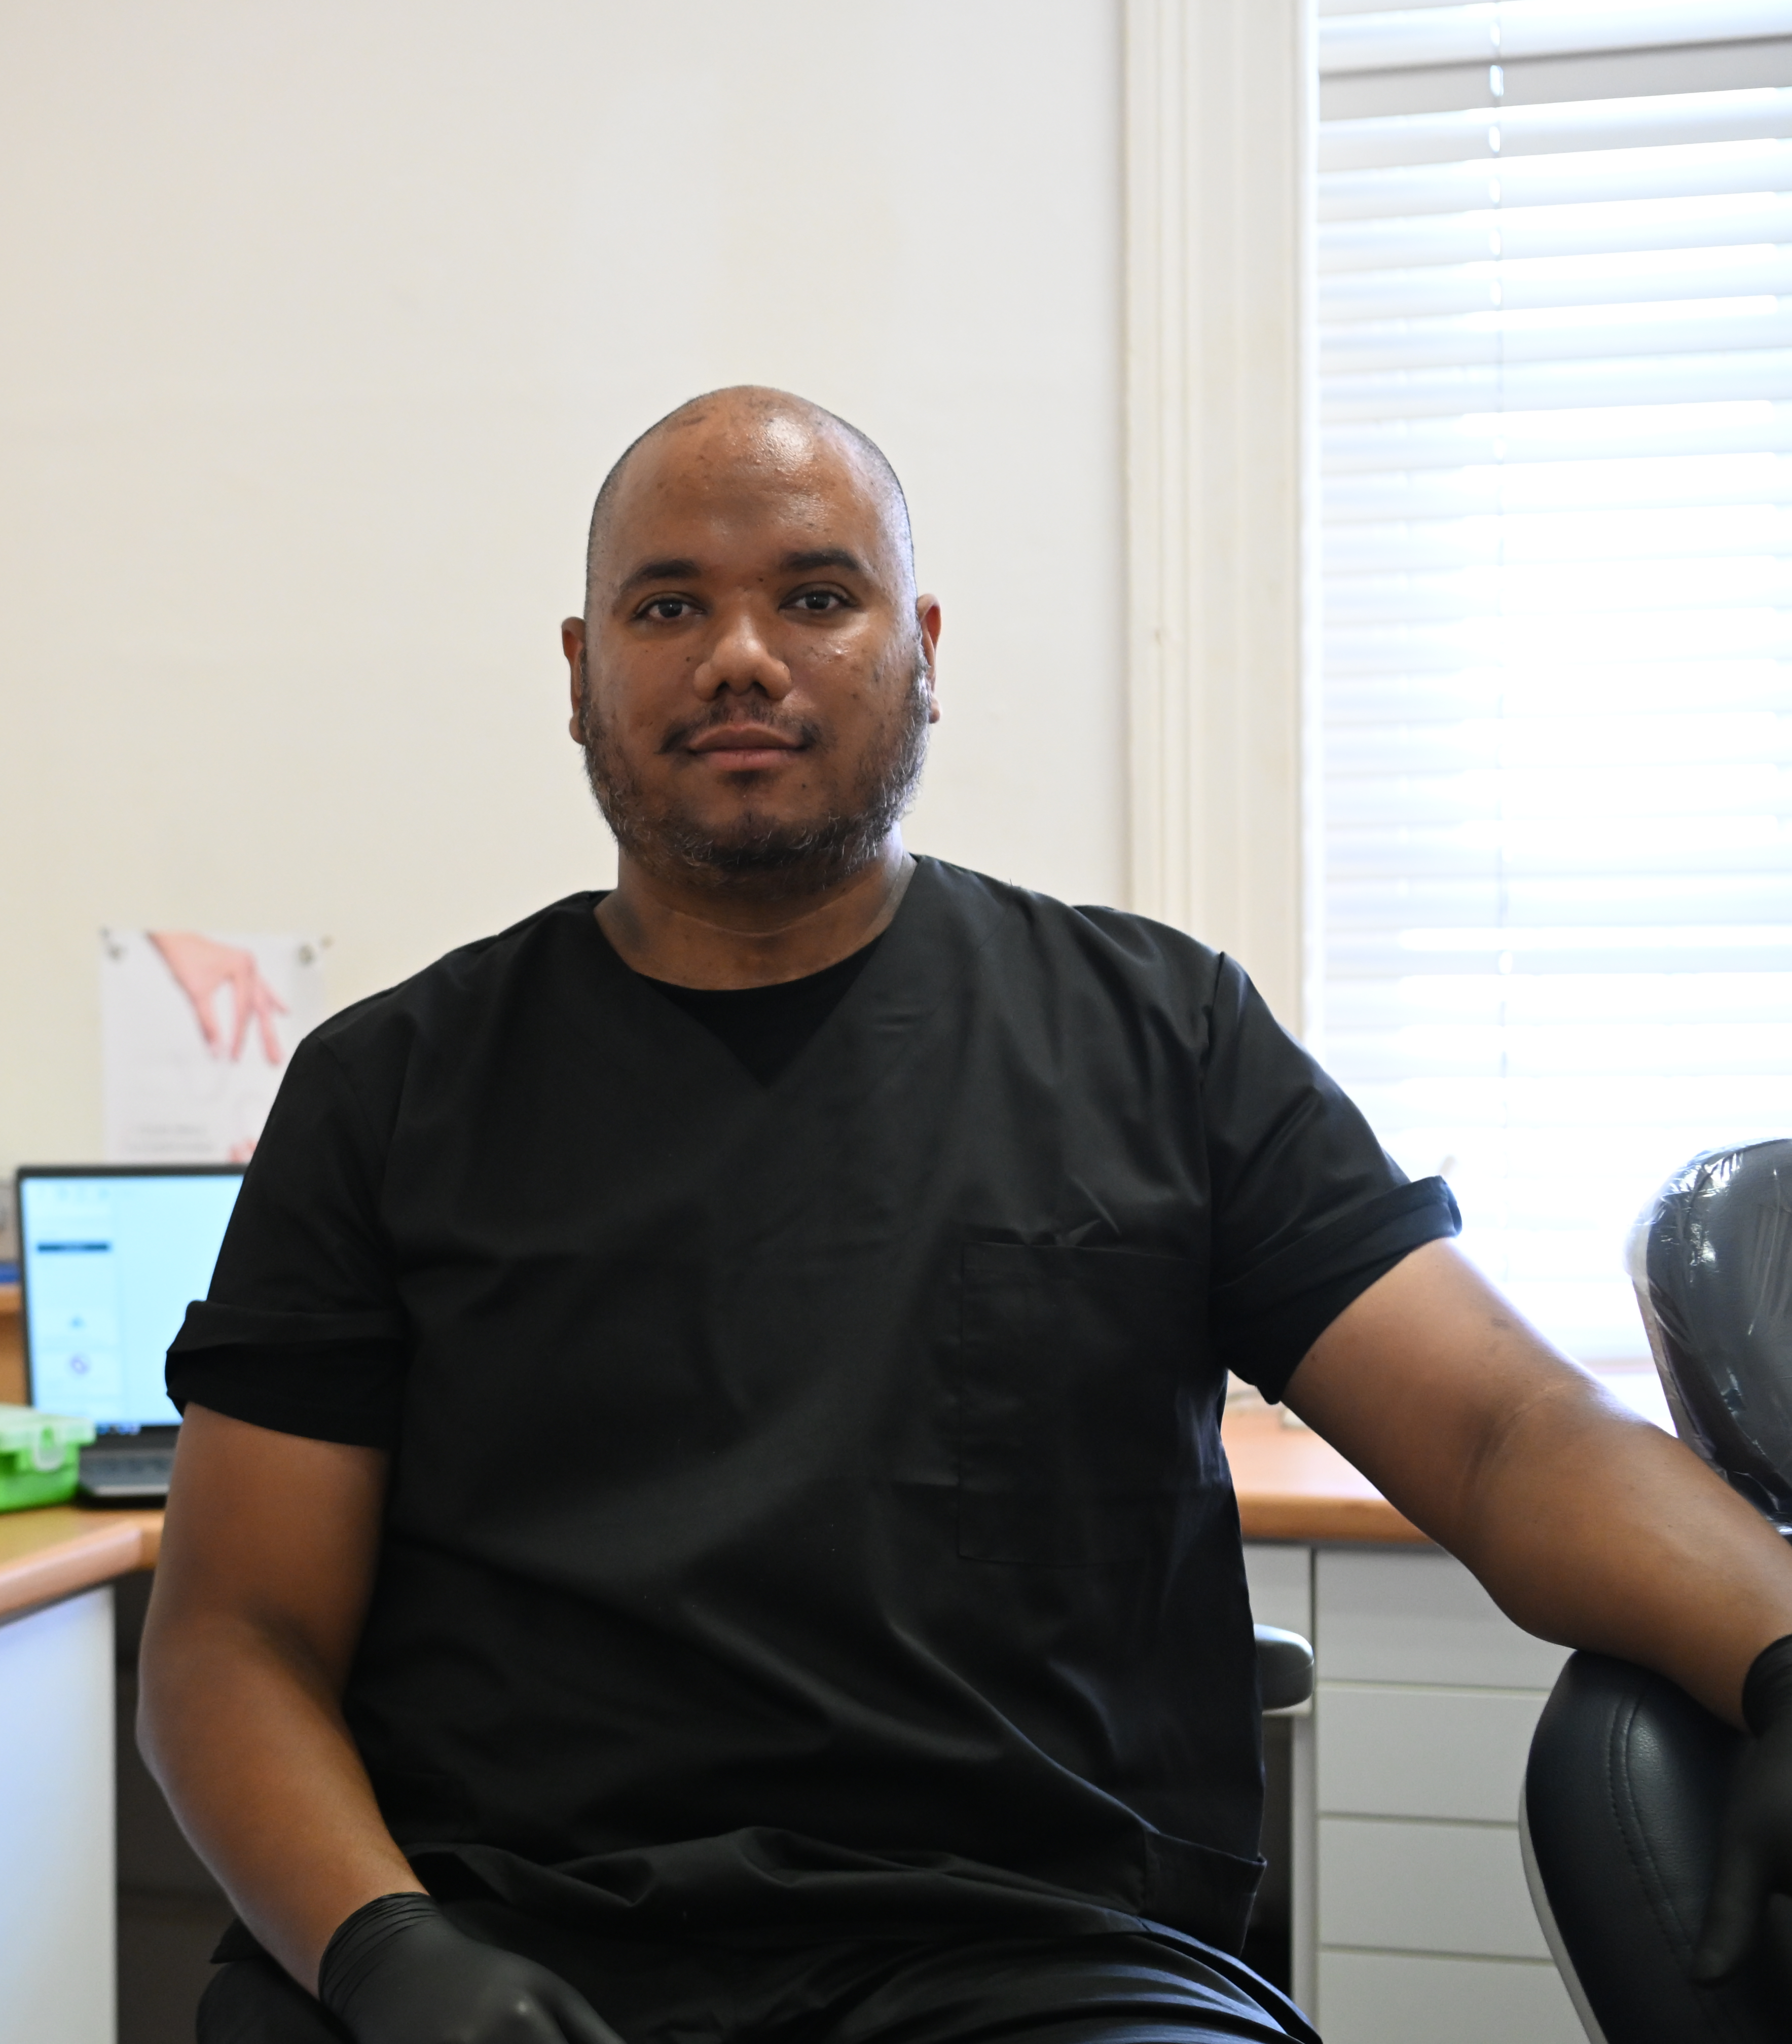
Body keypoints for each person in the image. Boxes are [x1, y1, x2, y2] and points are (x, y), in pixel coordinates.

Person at [135, 386, 1792, 2044]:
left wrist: (1781, 1654)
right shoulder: (390, 1088)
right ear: (580, 669)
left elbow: (1504, 1433)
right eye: (668, 605)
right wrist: (378, 1949)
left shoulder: (1162, 1037)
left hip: (1040, 1965)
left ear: (920, 644)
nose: (739, 655)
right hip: (506, 1945)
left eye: (814, 595)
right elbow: (233, 1635)